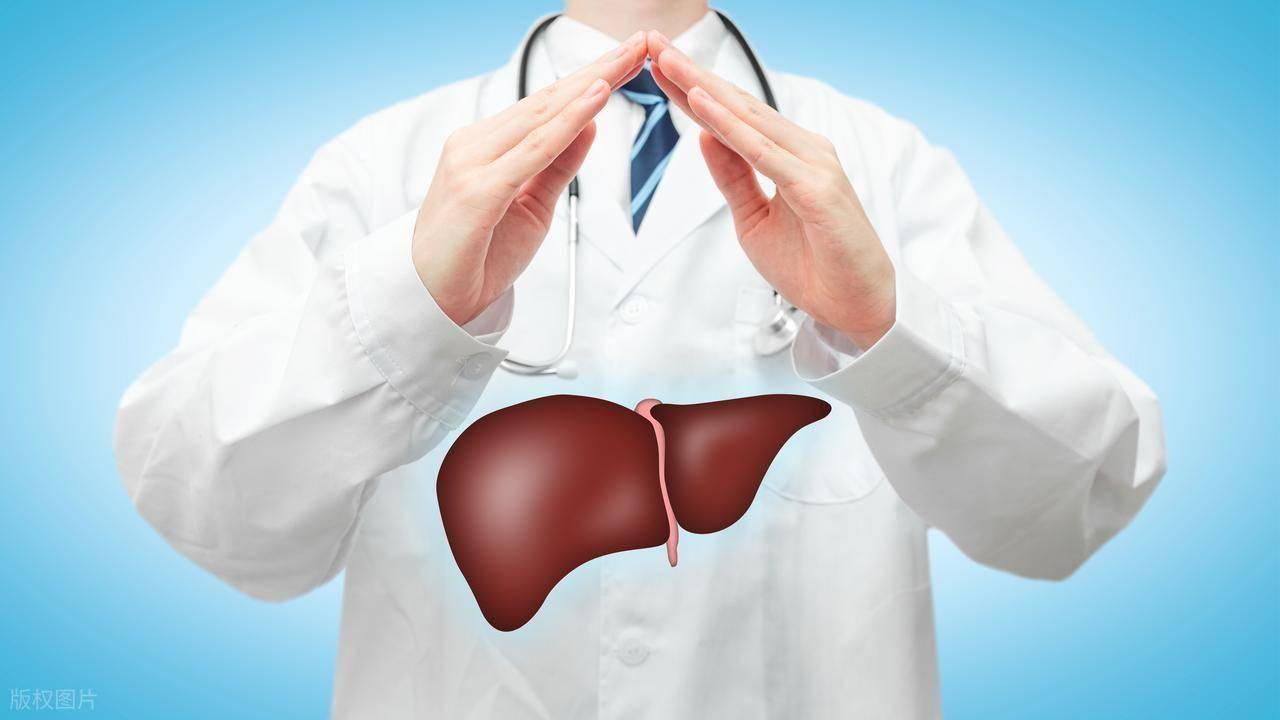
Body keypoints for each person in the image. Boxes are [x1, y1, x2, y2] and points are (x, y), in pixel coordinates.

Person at [113, 1, 1166, 717]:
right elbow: (215, 520)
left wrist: (889, 329)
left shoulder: (880, 161)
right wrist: (408, 305)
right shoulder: (385, 162)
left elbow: (1072, 507)